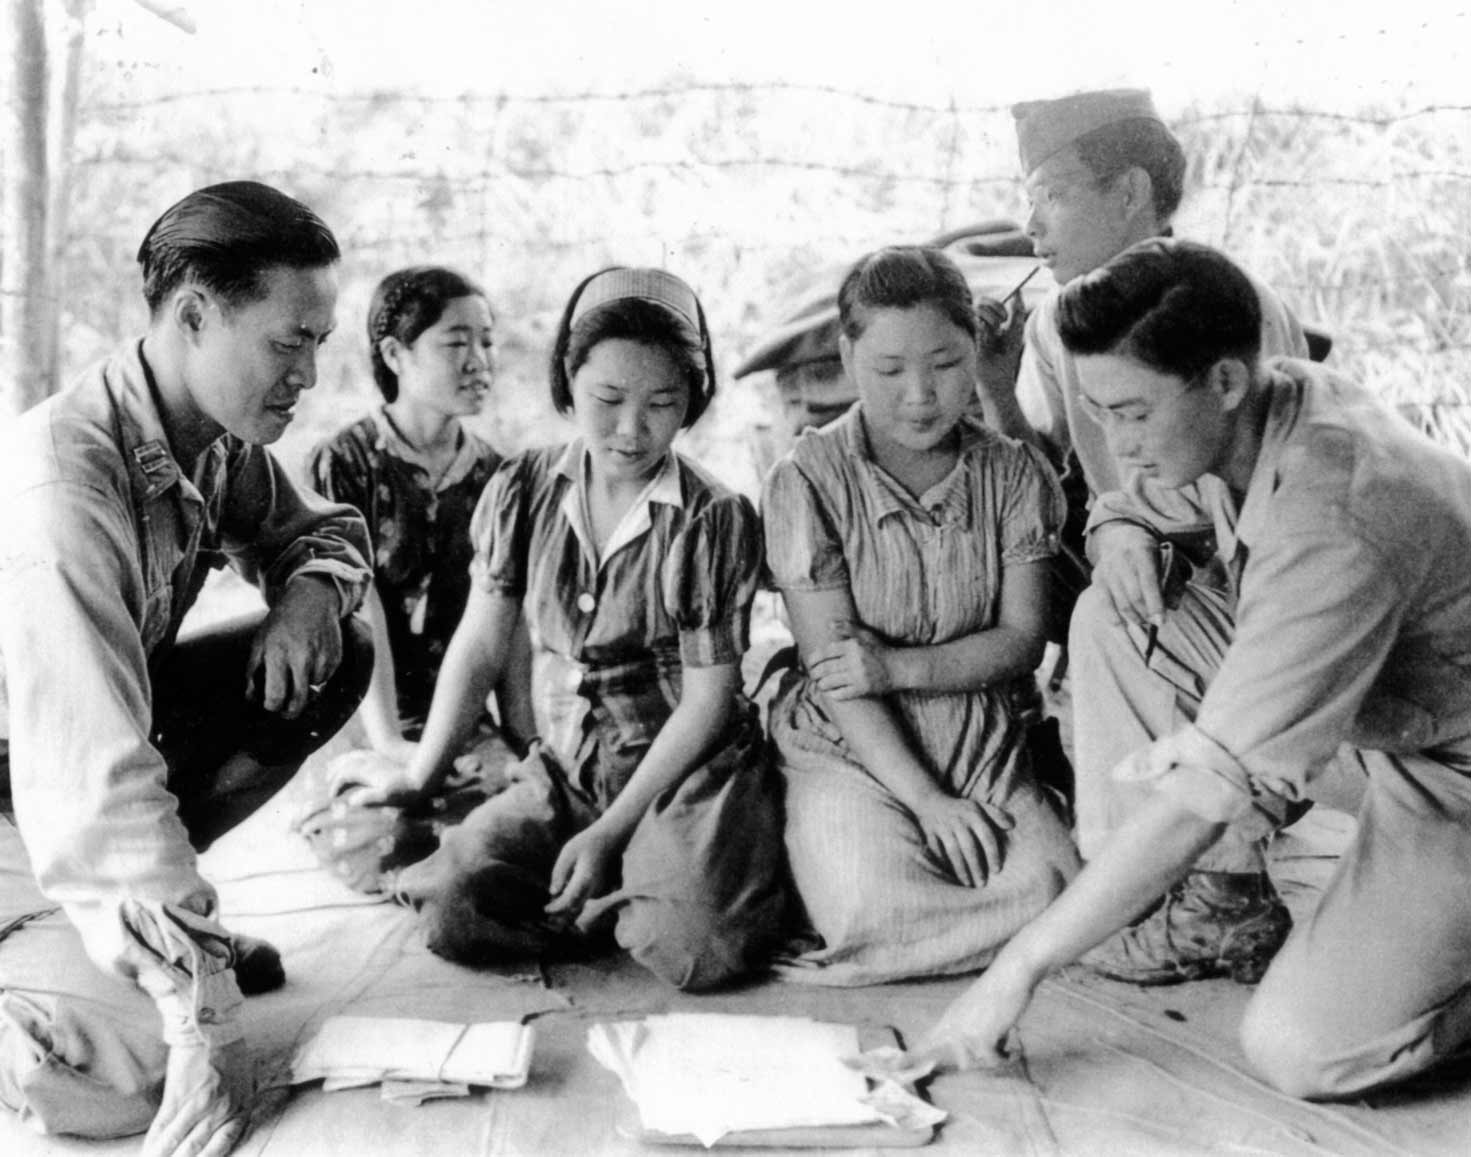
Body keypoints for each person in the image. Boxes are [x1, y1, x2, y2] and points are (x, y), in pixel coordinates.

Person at [923, 238, 1471, 1100]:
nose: (1115, 440)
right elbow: (1125, 503)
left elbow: (1208, 791)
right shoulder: (1267, 397)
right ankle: (1198, 907)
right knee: (1112, 612)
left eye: (1132, 414)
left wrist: (1016, 968)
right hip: (1388, 714)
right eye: (1097, 411)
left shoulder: (1335, 515)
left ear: (1222, 380)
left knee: (1303, 1048)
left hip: (1454, 769)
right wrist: (1122, 527)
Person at [0, 182, 373, 1151]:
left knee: (335, 655)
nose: (307, 376)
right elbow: (93, 772)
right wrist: (201, 1006)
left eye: (318, 345)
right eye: (288, 343)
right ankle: (106, 944)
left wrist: (306, 594)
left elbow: (321, 530)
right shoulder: (64, 485)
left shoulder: (204, 436)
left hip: (54, 776)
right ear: (196, 316)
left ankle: (130, 933)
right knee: (123, 1074)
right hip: (33, 785)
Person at [346, 266, 787, 989]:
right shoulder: (524, 488)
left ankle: (645, 878)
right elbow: (482, 642)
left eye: (661, 403)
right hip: (570, 764)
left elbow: (708, 702)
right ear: (567, 380)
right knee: (454, 905)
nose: (629, 428)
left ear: (690, 405)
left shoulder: (709, 517)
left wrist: (609, 830)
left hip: (683, 767)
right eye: (606, 399)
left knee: (699, 948)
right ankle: (618, 891)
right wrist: (418, 776)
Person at [971, 88, 1312, 983]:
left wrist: (1127, 526)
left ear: (1127, 192)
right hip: (1159, 575)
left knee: (1106, 617)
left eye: (1048, 194)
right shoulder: (1057, 320)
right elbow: (1064, 485)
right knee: (1100, 609)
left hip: (1265, 590)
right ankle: (1157, 882)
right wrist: (1000, 391)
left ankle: (1211, 886)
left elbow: (1242, 495)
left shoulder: (1218, 306)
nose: (1029, 221)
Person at [761, 246, 1080, 986]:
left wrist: (898, 665)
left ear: (975, 346)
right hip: (853, 741)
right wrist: (929, 803)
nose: (919, 394)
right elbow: (837, 676)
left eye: (944, 362)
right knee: (873, 906)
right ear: (846, 357)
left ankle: (963, 922)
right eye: (888, 369)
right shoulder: (805, 478)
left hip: (980, 733)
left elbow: (1020, 642)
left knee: (1058, 883)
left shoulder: (1012, 473)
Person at [308, 266, 534, 765]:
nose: (479, 362)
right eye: (456, 343)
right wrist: (391, 744)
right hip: (359, 725)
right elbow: (357, 611)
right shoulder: (343, 465)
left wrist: (526, 742)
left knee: (524, 824)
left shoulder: (499, 477)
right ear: (395, 354)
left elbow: (508, 624)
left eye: (487, 342)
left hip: (461, 726)